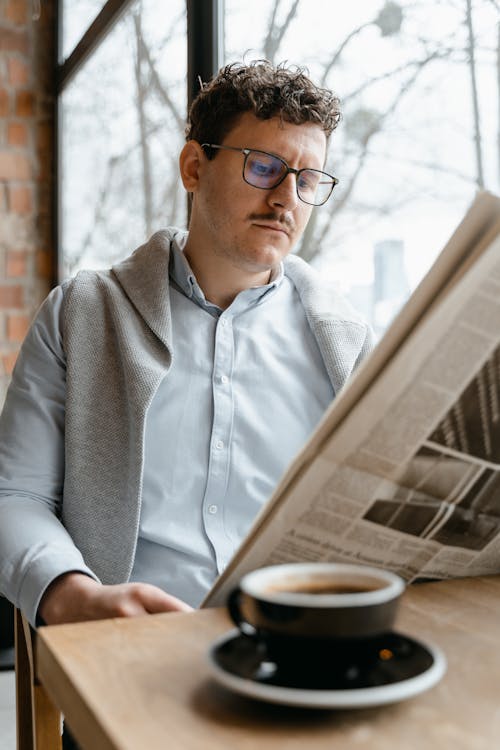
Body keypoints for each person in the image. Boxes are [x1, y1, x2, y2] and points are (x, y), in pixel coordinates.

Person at [0, 60, 374, 629]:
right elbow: (15, 495)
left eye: (306, 179)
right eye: (264, 166)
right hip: (133, 648)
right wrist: (71, 594)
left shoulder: (348, 343)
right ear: (194, 167)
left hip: (305, 646)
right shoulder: (82, 315)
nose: (285, 199)